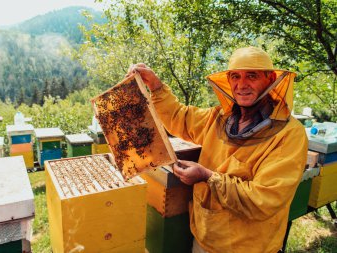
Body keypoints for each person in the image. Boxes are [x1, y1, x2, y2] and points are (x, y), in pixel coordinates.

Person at [127, 46, 308, 253]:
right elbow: (180, 117)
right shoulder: (220, 117)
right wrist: (156, 87)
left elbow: (263, 200)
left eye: (252, 76)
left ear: (270, 78)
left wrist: (206, 175)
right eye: (235, 76)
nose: (242, 84)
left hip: (249, 247)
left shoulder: (289, 135)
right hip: (205, 237)